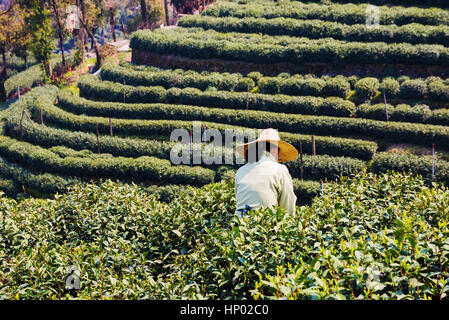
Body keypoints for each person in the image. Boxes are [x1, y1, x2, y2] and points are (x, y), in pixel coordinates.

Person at [234, 128, 298, 217]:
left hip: (239, 226)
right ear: (274, 149)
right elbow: (287, 205)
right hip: (264, 226)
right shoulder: (280, 170)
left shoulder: (240, 171)